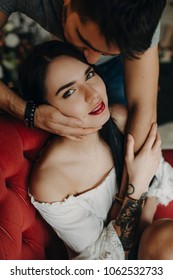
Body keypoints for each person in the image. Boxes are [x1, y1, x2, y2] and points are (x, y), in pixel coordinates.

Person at [0, 0, 167, 204]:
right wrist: (27, 111)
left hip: (120, 68)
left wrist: (127, 198)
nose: (92, 59)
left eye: (105, 52)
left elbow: (142, 105)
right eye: (84, 40)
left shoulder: (141, 15)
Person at [20, 40, 173, 260]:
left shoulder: (119, 119)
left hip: (150, 247)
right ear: (46, 112)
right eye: (69, 92)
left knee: (162, 236)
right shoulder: (51, 180)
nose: (92, 95)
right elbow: (108, 261)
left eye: (89, 75)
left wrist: (137, 219)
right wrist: (136, 186)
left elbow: (158, 177)